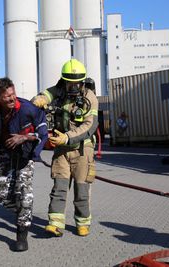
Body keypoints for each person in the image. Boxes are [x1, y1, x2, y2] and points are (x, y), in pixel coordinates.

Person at [31, 59, 99, 237]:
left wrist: (67, 137)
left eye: (77, 82)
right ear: (64, 80)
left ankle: (83, 222)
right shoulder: (59, 90)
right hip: (61, 150)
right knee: (59, 188)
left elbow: (89, 126)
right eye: (69, 82)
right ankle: (55, 223)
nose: (73, 86)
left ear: (82, 81)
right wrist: (40, 99)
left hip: (82, 150)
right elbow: (45, 94)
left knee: (81, 189)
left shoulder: (90, 97)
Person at [0, 77, 48, 252]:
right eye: (7, 96)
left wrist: (25, 137)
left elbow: (43, 131)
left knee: (24, 192)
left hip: (25, 154)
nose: (12, 99)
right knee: (4, 196)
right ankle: (22, 212)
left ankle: (22, 234)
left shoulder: (28, 109)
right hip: (4, 154)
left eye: (13, 94)